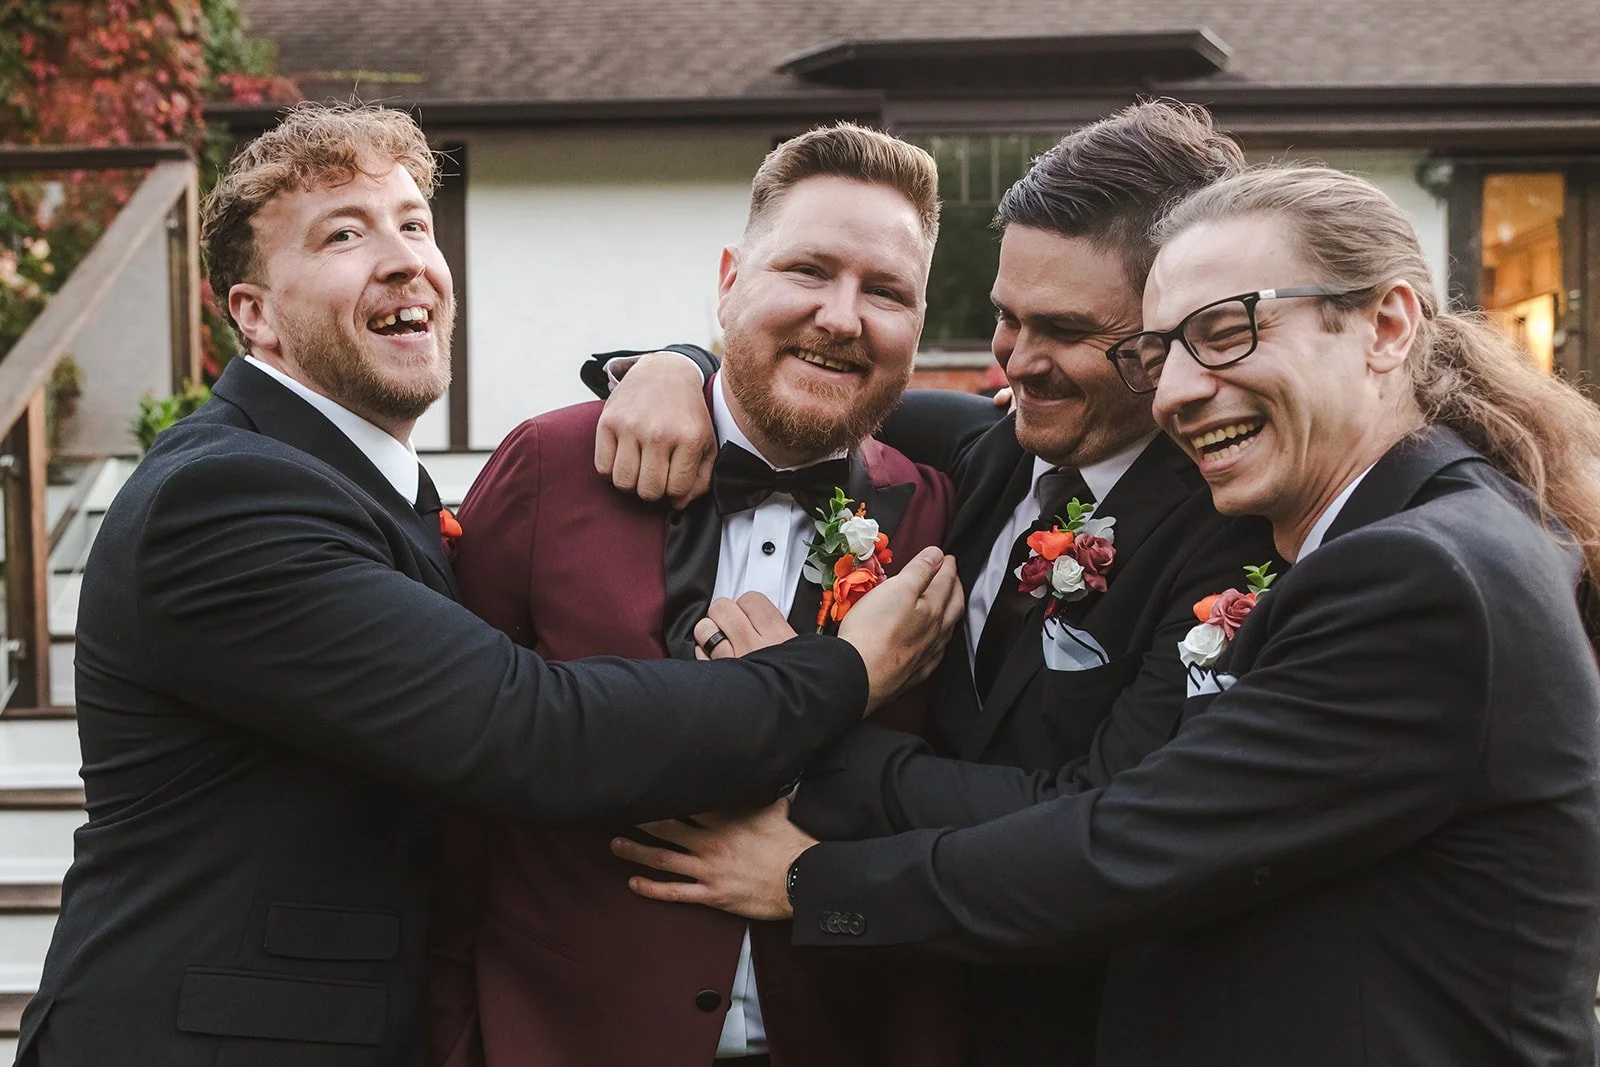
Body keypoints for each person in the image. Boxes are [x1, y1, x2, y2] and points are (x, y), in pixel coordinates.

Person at [15, 103, 959, 1067]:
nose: (402, 258)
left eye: (416, 224)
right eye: (344, 233)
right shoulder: (223, 495)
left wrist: (684, 361)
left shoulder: (379, 491)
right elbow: (528, 730)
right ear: (253, 312)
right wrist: (844, 670)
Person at [616, 163, 1600, 1066]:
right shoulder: (1000, 452)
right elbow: (812, 390)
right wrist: (675, 368)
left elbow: (1124, 840)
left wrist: (812, 865)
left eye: (1224, 332)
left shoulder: (1420, 574)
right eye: (1160, 350)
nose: (1177, 389)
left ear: (1387, 325)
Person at [593, 100, 1280, 1065]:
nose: (1016, 363)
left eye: (1068, 331)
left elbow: (1101, 809)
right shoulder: (972, 448)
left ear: (1167, 337)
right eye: (1007, 316)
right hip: (907, 1020)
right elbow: (812, 379)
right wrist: (674, 366)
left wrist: (811, 726)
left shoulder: (1237, 546)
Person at [428, 123, 964, 1067]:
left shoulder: (933, 509)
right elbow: (440, 792)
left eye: (886, 291)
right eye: (807, 270)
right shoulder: (553, 464)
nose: (842, 317)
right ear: (728, 280)